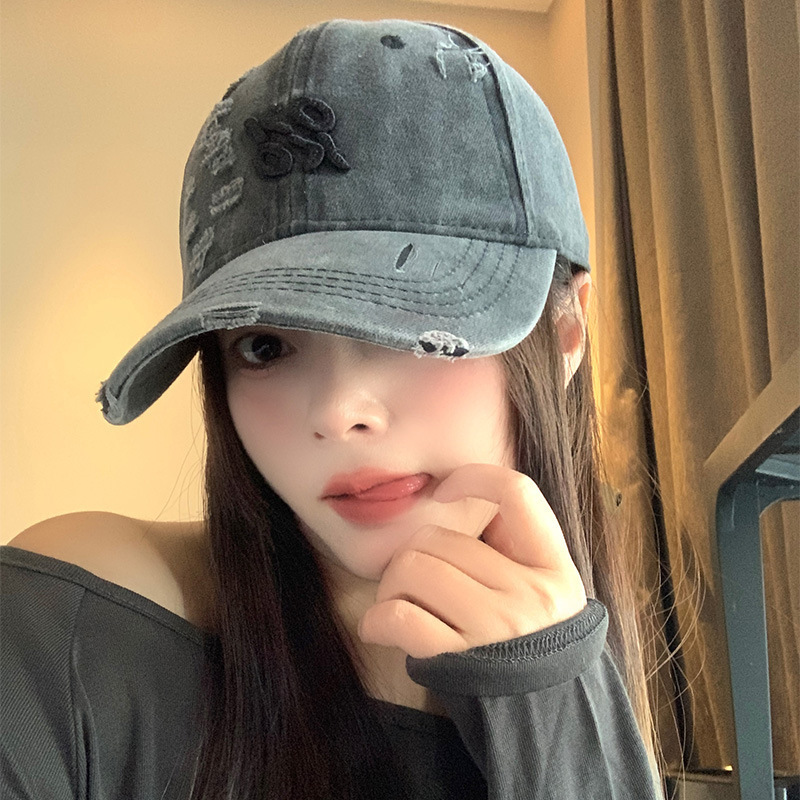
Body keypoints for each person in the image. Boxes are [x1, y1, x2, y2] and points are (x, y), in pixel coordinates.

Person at [1, 18, 664, 800]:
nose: (340, 411)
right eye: (265, 347)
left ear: (565, 331)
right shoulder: (75, 623)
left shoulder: (612, 682)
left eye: (415, 322)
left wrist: (556, 704)